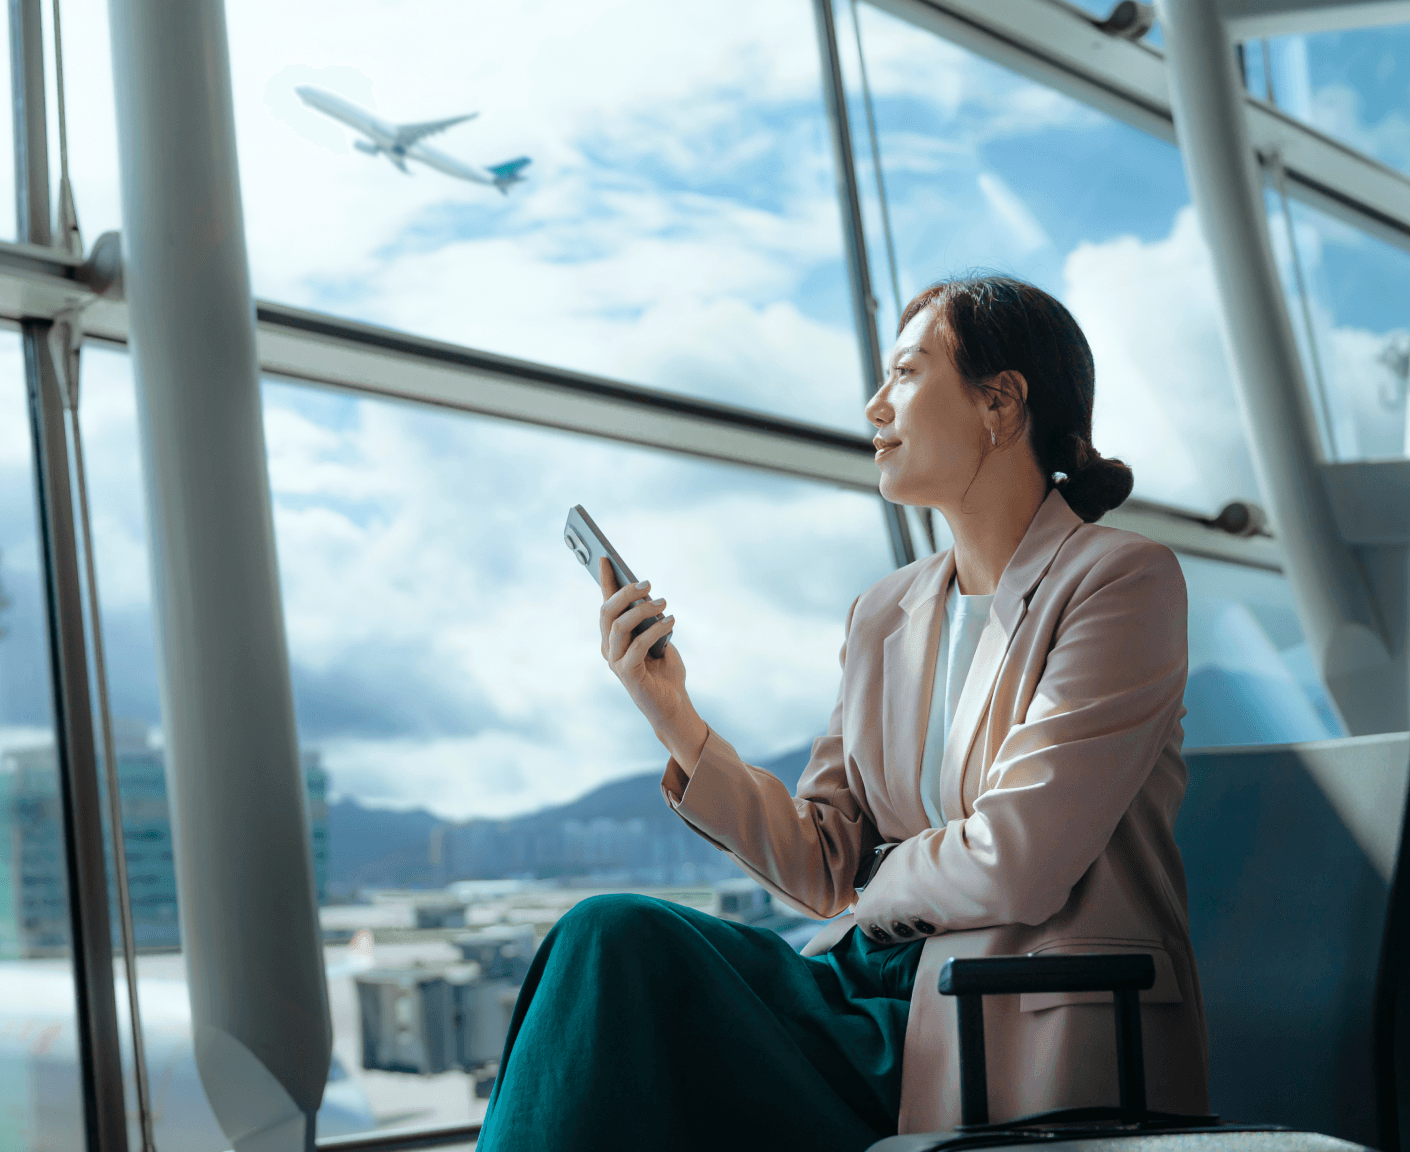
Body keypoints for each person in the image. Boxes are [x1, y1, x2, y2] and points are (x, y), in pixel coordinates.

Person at [476, 274, 1209, 1151]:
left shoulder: (1120, 582)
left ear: (1001, 404)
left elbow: (1019, 860)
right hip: (867, 994)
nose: (874, 406)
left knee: (623, 979)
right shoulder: (883, 614)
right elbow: (825, 859)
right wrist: (674, 715)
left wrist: (877, 883)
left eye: (906, 373)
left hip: (1003, 1015)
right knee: (609, 943)